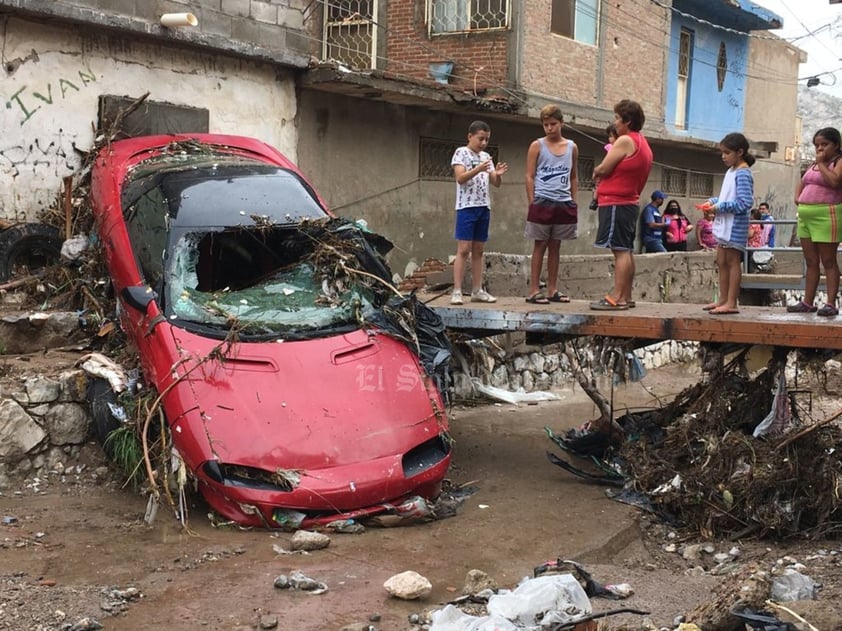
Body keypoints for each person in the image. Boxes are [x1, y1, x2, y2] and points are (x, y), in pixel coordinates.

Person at [591, 99, 654, 310]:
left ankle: (617, 296)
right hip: (629, 201)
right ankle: (626, 296)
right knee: (625, 249)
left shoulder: (625, 141)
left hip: (617, 202)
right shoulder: (642, 142)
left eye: (617, 118)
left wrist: (597, 171)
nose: (615, 122)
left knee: (619, 250)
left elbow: (605, 168)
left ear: (627, 121)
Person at [450, 120, 508, 305]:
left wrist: (497, 175)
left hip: (484, 206)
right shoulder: (461, 153)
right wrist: (478, 169)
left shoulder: (486, 156)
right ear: (470, 136)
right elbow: (460, 178)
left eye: (486, 140)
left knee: (479, 250)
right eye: (480, 139)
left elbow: (495, 183)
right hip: (466, 207)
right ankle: (457, 290)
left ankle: (477, 289)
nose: (483, 143)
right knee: (463, 249)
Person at [524, 104, 578, 304]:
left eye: (553, 124)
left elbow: (573, 176)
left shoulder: (572, 147)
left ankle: (552, 289)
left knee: (556, 245)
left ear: (561, 123)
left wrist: (573, 200)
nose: (549, 128)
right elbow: (529, 176)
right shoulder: (536, 145)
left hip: (563, 202)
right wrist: (532, 201)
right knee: (540, 244)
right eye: (545, 125)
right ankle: (534, 290)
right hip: (542, 201)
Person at [787, 127, 842, 316]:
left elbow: (834, 182)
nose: (820, 149)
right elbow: (803, 182)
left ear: (836, 145)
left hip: (827, 215)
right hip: (806, 216)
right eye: (817, 145)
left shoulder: (838, 162)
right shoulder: (813, 164)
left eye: (825, 145)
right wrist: (798, 197)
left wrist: (822, 164)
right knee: (811, 260)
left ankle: (830, 303)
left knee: (828, 260)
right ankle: (808, 302)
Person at [699, 132, 755, 315]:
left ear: (740, 152)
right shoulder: (731, 171)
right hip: (725, 223)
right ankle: (722, 299)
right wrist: (713, 201)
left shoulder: (743, 173)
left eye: (727, 152)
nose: (723, 156)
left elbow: (745, 203)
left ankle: (731, 302)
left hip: (735, 226)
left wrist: (719, 207)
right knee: (721, 261)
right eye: (722, 152)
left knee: (732, 262)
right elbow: (726, 197)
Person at [589, 124, 618, 211]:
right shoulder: (611, 148)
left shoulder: (615, 149)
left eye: (611, 136)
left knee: (599, 184)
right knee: (598, 184)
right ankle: (594, 199)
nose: (609, 139)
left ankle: (595, 200)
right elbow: (605, 162)